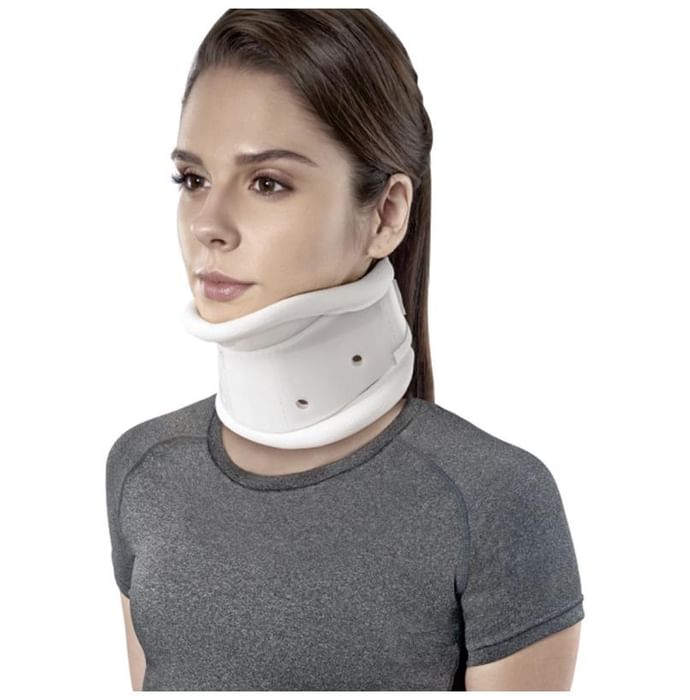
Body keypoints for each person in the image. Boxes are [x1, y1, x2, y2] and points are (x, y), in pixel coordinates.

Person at [105, 8, 584, 692]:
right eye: (193, 180)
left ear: (385, 213)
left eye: (267, 183)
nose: (208, 224)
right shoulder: (144, 469)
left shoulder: (493, 498)